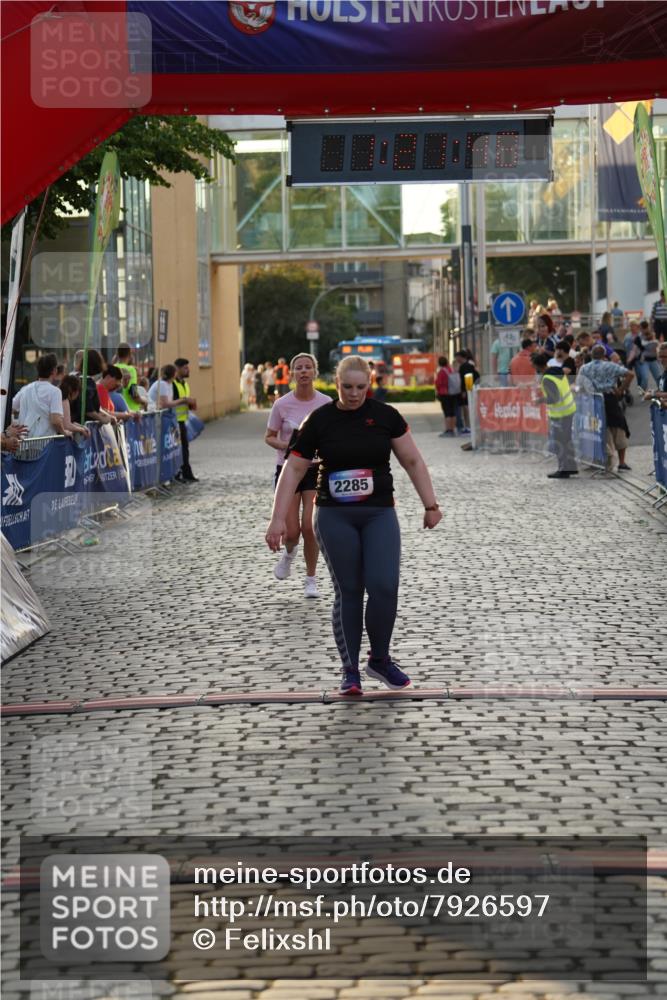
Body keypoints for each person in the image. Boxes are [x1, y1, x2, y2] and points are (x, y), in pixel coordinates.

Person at [266, 354, 442, 695]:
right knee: (349, 590)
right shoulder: (319, 420)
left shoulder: (386, 416)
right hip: (335, 515)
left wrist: (430, 504)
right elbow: (293, 470)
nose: (354, 394)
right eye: (347, 387)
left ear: (369, 384)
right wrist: (276, 519)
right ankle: (350, 671)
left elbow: (412, 460)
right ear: (336, 384)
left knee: (384, 586)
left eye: (361, 387)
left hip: (379, 513)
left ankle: (380, 660)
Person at [265, 353, 331, 599]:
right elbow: (269, 436)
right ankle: (289, 553)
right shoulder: (281, 404)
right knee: (292, 532)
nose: (303, 371)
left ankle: (311, 579)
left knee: (310, 527)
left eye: (308, 367)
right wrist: (288, 445)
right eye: (299, 368)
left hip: (315, 469)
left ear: (315, 372)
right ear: (292, 373)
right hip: (288, 469)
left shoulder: (326, 403)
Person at [577, 345, 634, 472]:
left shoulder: (584, 368)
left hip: (593, 401)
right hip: (610, 399)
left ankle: (600, 461)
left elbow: (579, 386)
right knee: (619, 428)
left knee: (598, 430)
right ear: (604, 355)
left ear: (592, 355)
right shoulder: (610, 365)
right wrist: (621, 390)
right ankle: (622, 462)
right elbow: (630, 374)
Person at [531, 351, 578, 479]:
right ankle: (571, 467)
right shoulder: (557, 371)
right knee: (566, 440)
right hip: (568, 409)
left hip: (560, 413)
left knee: (560, 442)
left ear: (537, 366)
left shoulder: (547, 379)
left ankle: (564, 469)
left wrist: (539, 401)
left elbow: (554, 398)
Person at [12, 354, 69, 438]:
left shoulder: (25, 389)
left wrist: (14, 426)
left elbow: (11, 407)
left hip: (24, 441)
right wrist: (64, 432)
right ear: (54, 371)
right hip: (45, 442)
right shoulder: (55, 392)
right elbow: (56, 420)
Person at [173, 358, 198, 482]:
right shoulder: (173, 384)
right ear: (177, 369)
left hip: (183, 420)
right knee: (178, 449)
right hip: (174, 421)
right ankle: (178, 473)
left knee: (184, 448)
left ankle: (186, 473)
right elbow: (172, 402)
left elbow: (185, 401)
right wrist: (186, 401)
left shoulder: (185, 384)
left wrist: (191, 403)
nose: (188, 370)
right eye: (185, 368)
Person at [114, 343, 144, 412]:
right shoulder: (131, 370)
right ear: (130, 354)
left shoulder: (113, 368)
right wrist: (144, 401)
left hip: (115, 409)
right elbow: (133, 393)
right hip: (130, 410)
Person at [435, 355, 460, 436]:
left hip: (444, 393)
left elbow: (438, 383)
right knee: (453, 412)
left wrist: (437, 391)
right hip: (453, 393)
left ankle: (448, 430)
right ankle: (453, 429)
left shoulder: (442, 371)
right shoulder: (451, 369)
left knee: (447, 412)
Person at [455, 350, 479, 433]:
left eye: (457, 357)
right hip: (468, 389)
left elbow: (466, 379)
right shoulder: (468, 365)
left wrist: (464, 391)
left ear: (461, 357)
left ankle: (468, 426)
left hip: (467, 390)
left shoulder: (465, 366)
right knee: (466, 408)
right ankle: (468, 425)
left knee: (466, 408)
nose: (456, 359)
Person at [642, 341, 667, 406]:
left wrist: (653, 394)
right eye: (660, 356)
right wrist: (653, 391)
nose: (661, 360)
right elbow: (663, 390)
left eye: (664, 357)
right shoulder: (664, 373)